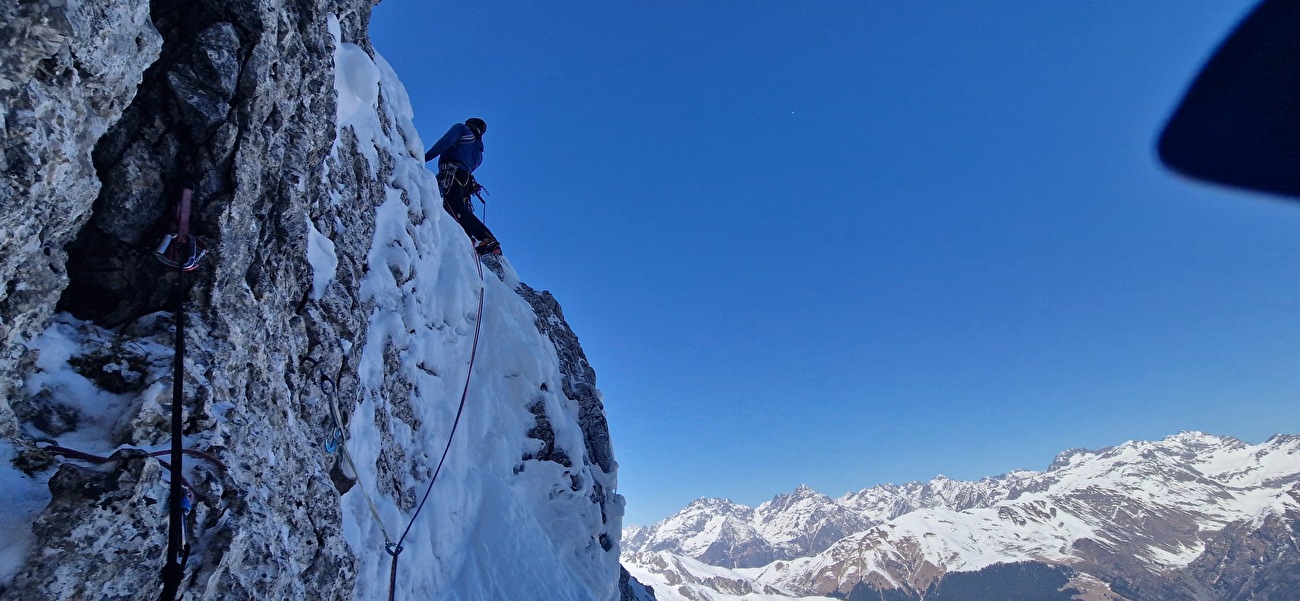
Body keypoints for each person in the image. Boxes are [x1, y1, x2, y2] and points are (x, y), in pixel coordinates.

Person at [425, 117, 500, 254]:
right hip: (465, 180)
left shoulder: (462, 129)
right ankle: (468, 236)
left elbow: (446, 141)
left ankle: (485, 237)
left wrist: (424, 157)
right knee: (458, 209)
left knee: (452, 206)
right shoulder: (478, 152)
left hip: (451, 173)